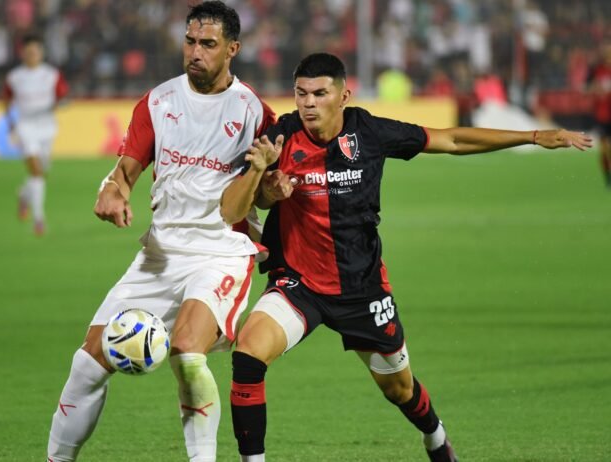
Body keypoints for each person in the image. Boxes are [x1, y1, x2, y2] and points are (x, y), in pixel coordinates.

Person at [220, 52, 592, 462]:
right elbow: (240, 207)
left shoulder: (370, 132)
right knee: (248, 355)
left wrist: (533, 136)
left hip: (363, 289)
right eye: (301, 93)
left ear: (343, 96)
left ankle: (435, 436)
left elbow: (450, 140)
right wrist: (265, 187)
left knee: (399, 389)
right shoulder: (280, 137)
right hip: (299, 284)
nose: (308, 103)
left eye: (319, 93)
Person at [46, 2, 274, 461]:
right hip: (161, 253)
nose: (195, 52)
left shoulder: (255, 112)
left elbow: (266, 193)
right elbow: (124, 172)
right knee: (88, 362)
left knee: (187, 352)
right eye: (189, 42)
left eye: (207, 44)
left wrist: (273, 188)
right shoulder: (158, 102)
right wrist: (112, 192)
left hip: (220, 252)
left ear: (232, 49)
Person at [3, 33, 69, 236]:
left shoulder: (51, 75)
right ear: (22, 53)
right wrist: (11, 125)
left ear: (41, 53)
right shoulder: (14, 77)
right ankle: (39, 219)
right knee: (36, 171)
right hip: (26, 127)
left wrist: (60, 103)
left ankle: (24, 195)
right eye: (28, 52)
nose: (32, 55)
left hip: (46, 127)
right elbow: (6, 100)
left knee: (41, 171)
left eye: (35, 51)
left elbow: (63, 96)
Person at [588, 43, 611, 188]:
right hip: (602, 115)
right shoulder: (597, 70)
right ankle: (607, 176)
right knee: (604, 148)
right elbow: (586, 88)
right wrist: (595, 89)